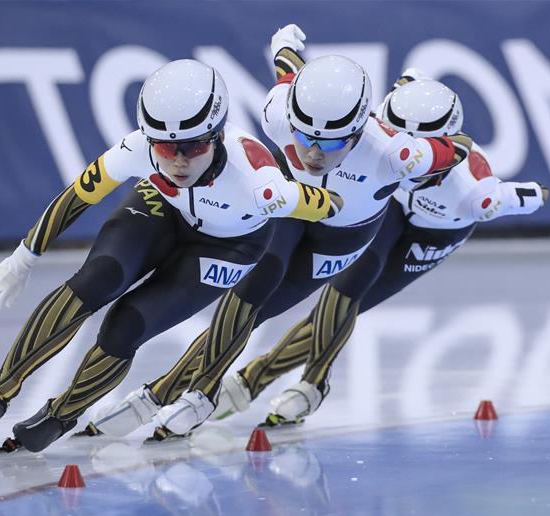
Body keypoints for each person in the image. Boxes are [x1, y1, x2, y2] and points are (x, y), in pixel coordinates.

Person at [81, 25, 473, 441]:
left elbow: (461, 145)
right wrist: (284, 46)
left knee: (271, 309)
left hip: (343, 235)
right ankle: (190, 392)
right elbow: (289, 73)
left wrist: (443, 152)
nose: (315, 153)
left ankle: (298, 383)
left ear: (359, 131)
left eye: (334, 141)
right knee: (246, 295)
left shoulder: (397, 153)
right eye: (304, 136)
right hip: (292, 207)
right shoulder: (278, 110)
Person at [0, 58, 343, 456]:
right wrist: (23, 257)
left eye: (195, 146)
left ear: (219, 135)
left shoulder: (259, 181)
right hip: (164, 208)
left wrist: (319, 195)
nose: (179, 161)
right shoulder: (140, 147)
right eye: (167, 148)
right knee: (97, 277)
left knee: (127, 325)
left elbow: (330, 204)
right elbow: (78, 196)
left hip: (230, 245)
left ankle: (60, 415)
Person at [210, 70, 549, 426]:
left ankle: (262, 378)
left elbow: (524, 196)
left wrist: (536, 194)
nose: (407, 162)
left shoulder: (474, 194)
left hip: (433, 233)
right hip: (392, 206)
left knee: (349, 308)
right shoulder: (385, 125)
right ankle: (289, 384)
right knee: (345, 290)